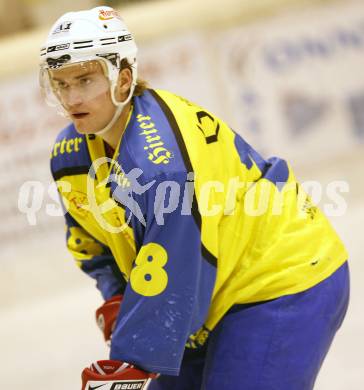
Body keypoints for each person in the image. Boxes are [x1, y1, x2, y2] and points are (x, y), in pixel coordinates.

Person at [40, 6, 350, 390]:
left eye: (85, 80)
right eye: (61, 84)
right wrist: (117, 294)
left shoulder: (159, 162)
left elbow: (180, 262)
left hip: (281, 279)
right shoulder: (71, 154)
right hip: (209, 291)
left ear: (122, 78)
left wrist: (132, 360)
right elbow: (90, 237)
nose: (72, 97)